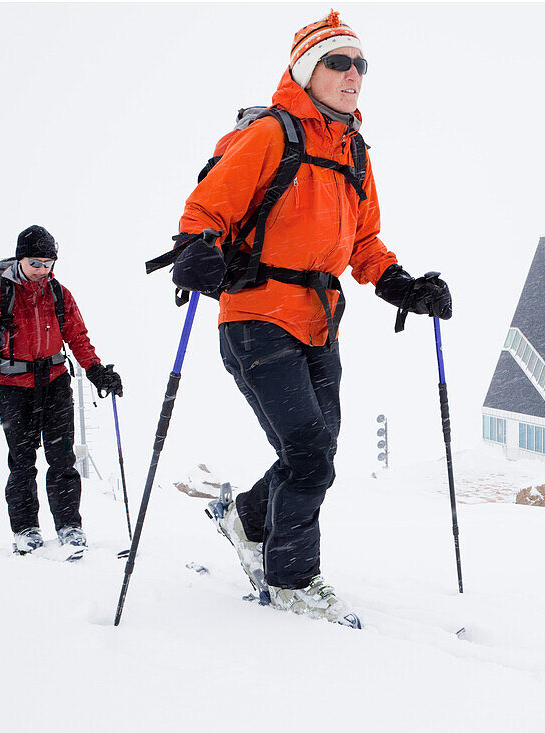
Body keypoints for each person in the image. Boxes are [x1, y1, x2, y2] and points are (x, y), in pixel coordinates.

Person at [170, 11, 451, 627]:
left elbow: (365, 243)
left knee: (315, 451)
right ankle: (293, 579)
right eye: (338, 62)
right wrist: (195, 246)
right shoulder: (272, 135)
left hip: (321, 323)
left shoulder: (355, 153)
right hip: (255, 316)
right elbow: (207, 207)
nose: (353, 75)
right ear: (306, 71)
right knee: (309, 448)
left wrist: (403, 285)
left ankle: (246, 519)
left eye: (361, 65)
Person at [0, 225, 124, 557]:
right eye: (36, 262)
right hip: (14, 388)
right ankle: (26, 530)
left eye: (48, 263)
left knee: (62, 459)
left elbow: (77, 337)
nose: (42, 270)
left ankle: (69, 527)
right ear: (21, 260)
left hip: (56, 384)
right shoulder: (0, 294)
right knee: (22, 462)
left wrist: (95, 371)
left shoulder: (59, 293)